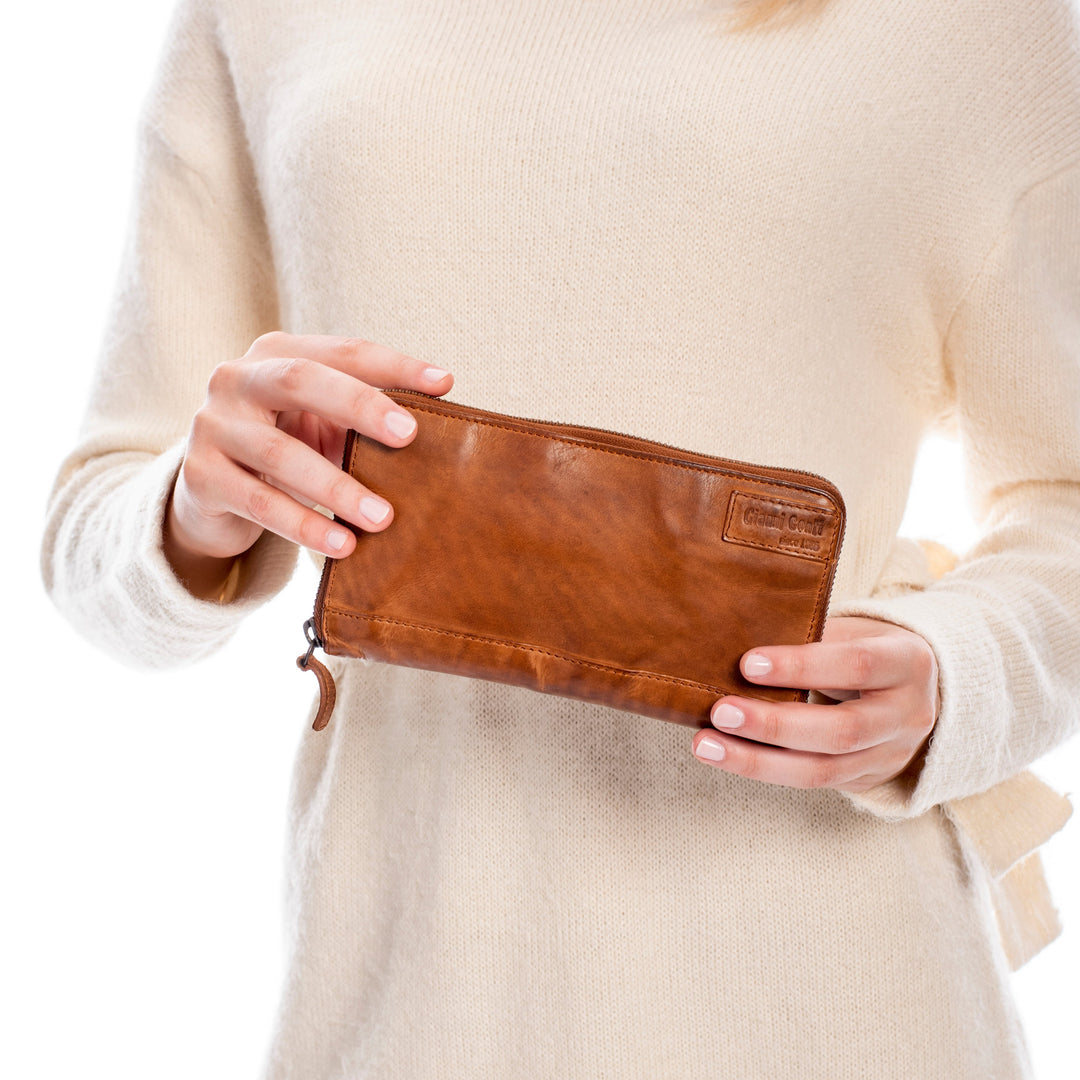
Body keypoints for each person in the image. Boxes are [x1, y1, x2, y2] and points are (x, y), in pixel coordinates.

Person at [42, 0, 1080, 1076]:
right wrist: (192, 507)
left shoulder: (972, 21)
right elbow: (94, 529)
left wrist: (955, 674)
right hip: (405, 995)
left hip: (836, 1000)